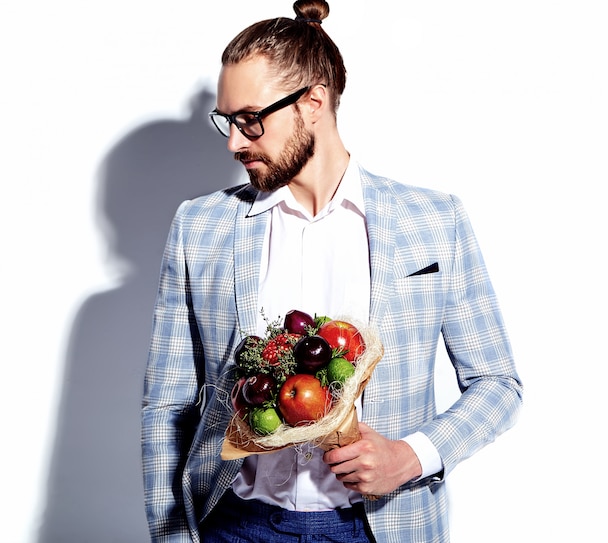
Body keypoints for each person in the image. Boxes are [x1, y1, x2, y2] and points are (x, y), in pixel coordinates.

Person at [141, 1, 523, 542]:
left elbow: (498, 385)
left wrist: (411, 457)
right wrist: (173, 536)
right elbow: (167, 404)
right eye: (227, 121)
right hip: (234, 524)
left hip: (380, 527)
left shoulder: (433, 222)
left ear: (313, 102)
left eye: (251, 119)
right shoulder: (200, 226)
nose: (234, 142)